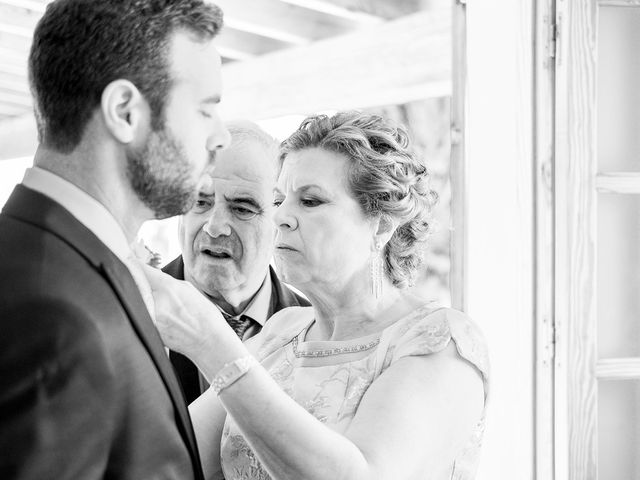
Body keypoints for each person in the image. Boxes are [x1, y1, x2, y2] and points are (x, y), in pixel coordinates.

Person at [145, 111, 489, 480]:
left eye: (310, 201)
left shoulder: (438, 341)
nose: (280, 218)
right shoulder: (282, 332)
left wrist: (212, 343)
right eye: (278, 201)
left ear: (382, 224)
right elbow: (167, 457)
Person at [0, 1, 229, 478]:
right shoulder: (53, 314)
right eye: (206, 111)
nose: (220, 137)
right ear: (124, 112)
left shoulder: (56, 261)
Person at [164, 121, 310, 403]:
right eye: (200, 202)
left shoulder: (313, 329)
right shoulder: (131, 307)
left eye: (241, 208)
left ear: (279, 219)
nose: (214, 227)